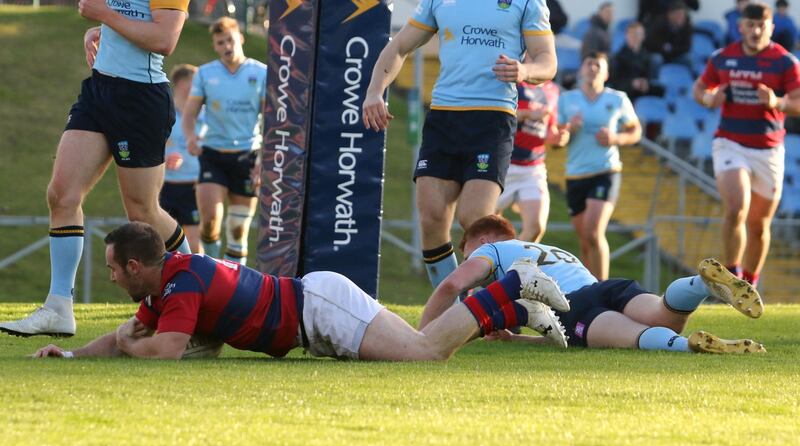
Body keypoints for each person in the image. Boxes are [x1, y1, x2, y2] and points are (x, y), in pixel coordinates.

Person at [31, 221, 569, 360]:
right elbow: (131, 335)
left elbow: (162, 351)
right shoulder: (162, 287)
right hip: (316, 314)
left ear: (134, 266)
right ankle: (517, 309)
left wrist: (128, 345)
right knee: (428, 342)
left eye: (111, 270)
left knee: (425, 354)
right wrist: (72, 353)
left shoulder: (181, 282)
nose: (108, 278)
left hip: (319, 309)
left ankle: (517, 283)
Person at [0, 0, 192, 338]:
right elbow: (131, 17)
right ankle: (59, 307)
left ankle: (197, 289)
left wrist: (104, 16)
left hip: (141, 99)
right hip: (100, 89)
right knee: (61, 195)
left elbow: (164, 39)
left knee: (143, 210)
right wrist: (104, 29)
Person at [362, 0, 557, 291]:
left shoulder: (527, 2)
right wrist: (375, 92)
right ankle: (451, 310)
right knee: (431, 218)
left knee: (475, 220)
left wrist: (524, 71)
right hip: (444, 118)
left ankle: (509, 299)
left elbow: (547, 61)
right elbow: (400, 45)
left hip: (492, 120)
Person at [419, 215, 766, 354]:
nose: (466, 256)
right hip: (605, 287)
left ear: (479, 240)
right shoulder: (548, 249)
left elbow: (451, 285)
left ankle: (686, 347)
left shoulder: (491, 251)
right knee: (663, 312)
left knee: (633, 338)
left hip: (577, 307)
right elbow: (555, 332)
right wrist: (515, 338)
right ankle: (701, 285)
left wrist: (423, 334)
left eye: (465, 248)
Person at [692, 2, 800, 288]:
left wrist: (777, 102)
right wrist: (708, 99)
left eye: (761, 26)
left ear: (771, 28)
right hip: (731, 142)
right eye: (750, 25)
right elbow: (699, 89)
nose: (755, 31)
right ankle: (730, 274)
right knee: (737, 207)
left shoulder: (785, 61)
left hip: (768, 149)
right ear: (740, 27)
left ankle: (748, 285)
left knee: (759, 225)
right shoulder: (723, 58)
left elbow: (798, 101)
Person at [182, 17, 267, 266]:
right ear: (215, 46)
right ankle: (211, 273)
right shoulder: (206, 74)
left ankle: (234, 285)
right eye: (220, 43)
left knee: (238, 229)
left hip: (247, 156)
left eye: (230, 40)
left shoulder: (260, 73)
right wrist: (190, 137)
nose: (226, 46)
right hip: (213, 154)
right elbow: (189, 114)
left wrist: (264, 159)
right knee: (209, 221)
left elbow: (270, 121)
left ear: (240, 39)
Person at [553, 52, 642, 281]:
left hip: (606, 170)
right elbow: (557, 139)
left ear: (606, 72)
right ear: (581, 70)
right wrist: (568, 129)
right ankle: (590, 289)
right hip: (575, 174)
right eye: (588, 64)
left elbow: (635, 131)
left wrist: (616, 138)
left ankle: (603, 291)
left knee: (593, 232)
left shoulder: (618, 99)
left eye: (597, 65)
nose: (592, 68)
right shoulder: (567, 99)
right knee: (584, 239)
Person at [496, 80, 559, 242]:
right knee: (488, 228)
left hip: (533, 168)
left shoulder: (552, 90)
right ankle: (487, 265)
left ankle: (516, 265)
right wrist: (527, 114)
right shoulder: (511, 82)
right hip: (502, 165)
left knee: (536, 228)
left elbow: (549, 130)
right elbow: (495, 116)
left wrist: (558, 138)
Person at [160, 64, 204, 253]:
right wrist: (164, 159)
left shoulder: (205, 115)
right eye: (194, 83)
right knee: (163, 243)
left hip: (194, 186)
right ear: (180, 84)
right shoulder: (164, 114)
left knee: (194, 245)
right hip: (165, 186)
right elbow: (148, 146)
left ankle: (199, 280)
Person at [610, 21, 665, 101]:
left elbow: (650, 79)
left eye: (638, 34)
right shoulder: (618, 58)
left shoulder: (647, 57)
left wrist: (645, 84)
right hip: (626, 95)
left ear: (643, 36)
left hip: (643, 94)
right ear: (626, 36)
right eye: (632, 34)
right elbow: (614, 85)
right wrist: (632, 84)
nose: (635, 37)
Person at [644, 0, 693, 69]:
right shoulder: (658, 24)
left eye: (683, 15)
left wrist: (671, 49)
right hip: (659, 54)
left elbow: (686, 47)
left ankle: (694, 78)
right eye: (678, 14)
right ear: (670, 15)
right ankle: (654, 79)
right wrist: (663, 48)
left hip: (675, 55)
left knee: (688, 59)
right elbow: (649, 43)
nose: (681, 17)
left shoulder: (687, 27)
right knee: (656, 59)